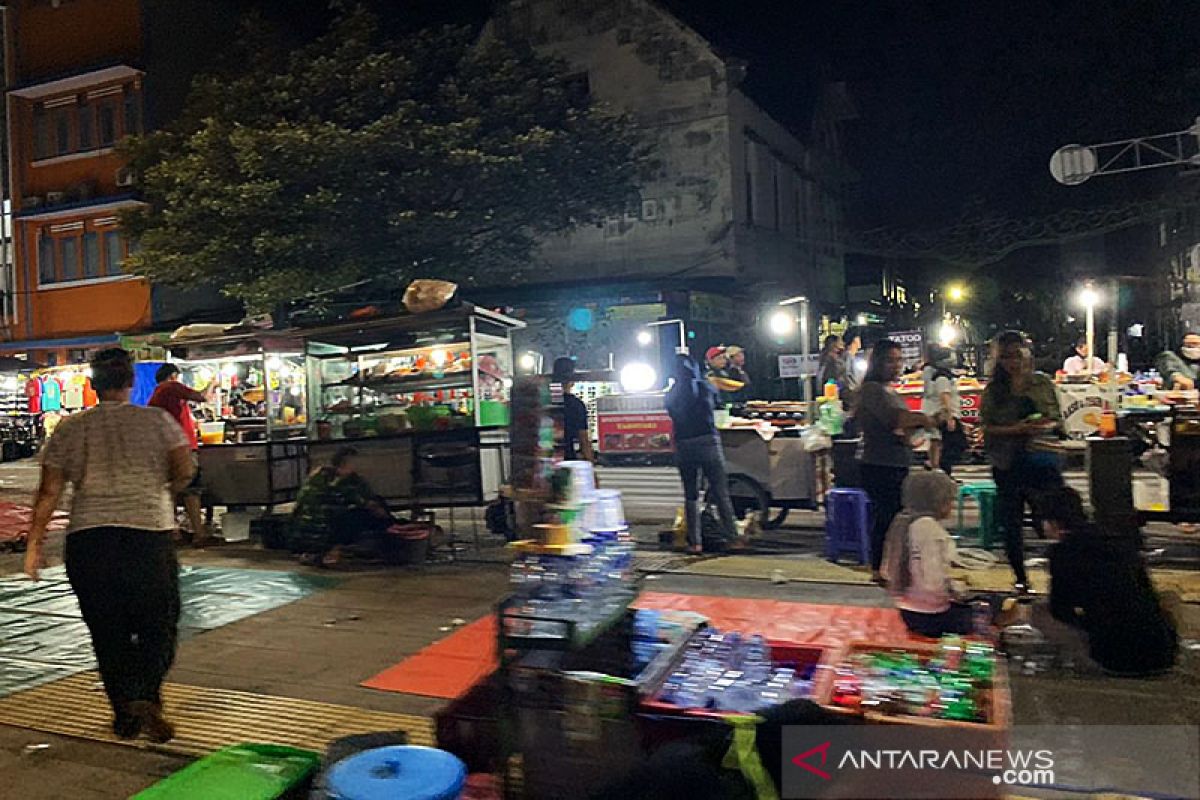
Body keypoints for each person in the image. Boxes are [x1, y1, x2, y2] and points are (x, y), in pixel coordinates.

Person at [25, 348, 194, 742]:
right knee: (158, 625)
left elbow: (49, 491)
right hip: (147, 534)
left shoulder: (70, 427)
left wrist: (35, 544)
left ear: (91, 384)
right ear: (132, 381)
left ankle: (125, 714)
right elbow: (183, 470)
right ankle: (146, 696)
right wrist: (163, 487)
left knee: (107, 631)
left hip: (90, 539)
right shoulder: (158, 422)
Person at [1033, 487, 1177, 676]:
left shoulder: (1063, 552)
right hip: (1162, 652)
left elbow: (1060, 610)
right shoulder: (1115, 539)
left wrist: (1086, 622)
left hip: (1117, 658)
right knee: (1167, 597)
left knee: (1038, 611)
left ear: (1051, 522)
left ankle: (1082, 662)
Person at [980, 331, 1064, 592]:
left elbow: (1056, 418)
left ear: (1027, 353)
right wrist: (1017, 429)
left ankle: (1063, 575)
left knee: (1054, 519)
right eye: (1005, 356)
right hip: (1007, 462)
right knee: (1012, 523)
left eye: (1017, 354)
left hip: (1042, 460)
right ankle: (1021, 578)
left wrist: (1041, 424)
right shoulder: (994, 390)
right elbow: (987, 427)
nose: (1012, 362)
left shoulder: (1041, 383)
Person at [856, 339, 933, 582]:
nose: (896, 365)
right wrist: (924, 419)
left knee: (896, 516)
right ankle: (879, 567)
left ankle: (893, 566)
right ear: (877, 362)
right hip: (879, 463)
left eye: (899, 359)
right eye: (890, 360)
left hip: (896, 459)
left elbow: (902, 426)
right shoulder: (872, 390)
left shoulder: (889, 390)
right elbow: (896, 419)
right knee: (887, 518)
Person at [882, 470, 974, 637]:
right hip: (931, 614)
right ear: (939, 502)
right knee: (991, 607)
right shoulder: (929, 529)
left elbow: (888, 569)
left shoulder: (902, 521)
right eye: (950, 500)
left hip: (907, 609)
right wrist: (958, 589)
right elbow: (933, 582)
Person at [665, 354, 738, 553]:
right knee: (720, 491)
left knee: (691, 496)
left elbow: (674, 414)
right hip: (708, 443)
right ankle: (732, 537)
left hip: (684, 445)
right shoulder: (707, 386)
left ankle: (695, 543)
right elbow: (717, 406)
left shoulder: (671, 394)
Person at [290, 446, 394, 567]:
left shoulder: (316, 476)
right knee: (363, 515)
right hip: (322, 534)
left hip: (298, 535)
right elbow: (372, 507)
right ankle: (333, 551)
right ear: (348, 463)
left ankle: (320, 551)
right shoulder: (347, 483)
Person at [148, 363, 215, 546]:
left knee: (176, 489)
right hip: (181, 446)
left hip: (167, 446)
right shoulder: (170, 386)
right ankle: (197, 533)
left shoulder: (159, 393)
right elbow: (203, 397)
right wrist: (213, 382)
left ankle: (176, 531)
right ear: (173, 375)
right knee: (189, 488)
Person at [920, 344, 964, 474]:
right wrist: (949, 415)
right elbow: (944, 396)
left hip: (933, 411)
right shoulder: (942, 377)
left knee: (936, 440)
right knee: (945, 444)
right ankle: (939, 469)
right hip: (940, 414)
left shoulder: (931, 373)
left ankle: (934, 467)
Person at [551, 356, 595, 463]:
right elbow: (583, 441)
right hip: (567, 462)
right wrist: (590, 463)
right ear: (572, 380)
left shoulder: (541, 402)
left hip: (542, 463)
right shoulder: (576, 405)